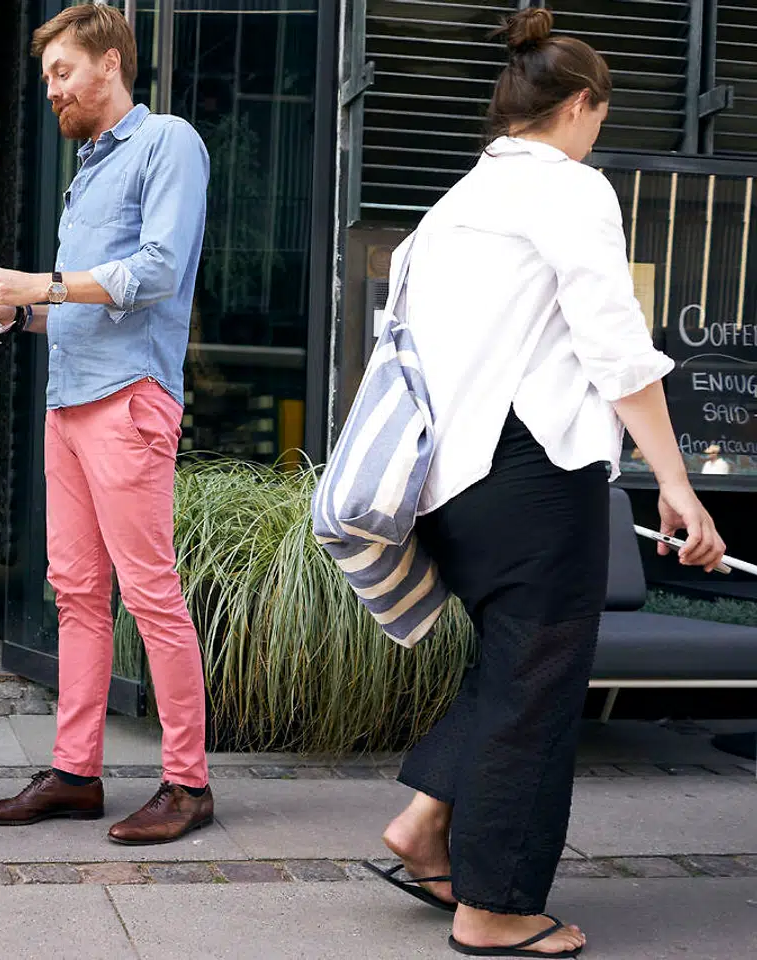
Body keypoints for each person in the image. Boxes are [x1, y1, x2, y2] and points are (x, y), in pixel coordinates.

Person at [361, 10, 725, 957]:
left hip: (444, 484)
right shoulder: (570, 191)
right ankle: (497, 907)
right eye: (600, 115)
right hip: (530, 475)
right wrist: (677, 485)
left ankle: (425, 826)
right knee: (539, 690)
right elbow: (616, 350)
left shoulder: (450, 208)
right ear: (581, 106)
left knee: (513, 663)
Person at [0, 2, 213, 845]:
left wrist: (38, 284)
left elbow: (156, 271)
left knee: (150, 595)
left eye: (61, 72)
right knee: (76, 594)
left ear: (109, 62)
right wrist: (18, 315)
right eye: (45, 80)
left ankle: (188, 783)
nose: (51, 92)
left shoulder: (168, 143)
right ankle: (77, 774)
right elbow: (80, 304)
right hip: (68, 403)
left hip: (130, 400)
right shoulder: (85, 171)